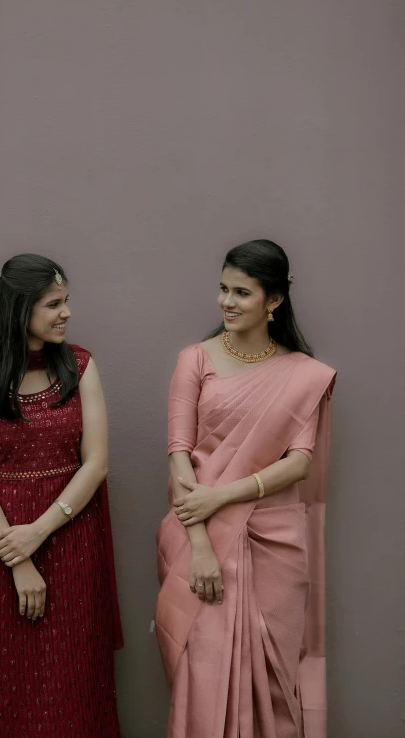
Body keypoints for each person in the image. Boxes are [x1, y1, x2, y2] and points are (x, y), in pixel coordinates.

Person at [0, 253, 123, 738]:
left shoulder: (81, 367)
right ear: (20, 309)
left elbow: (96, 463)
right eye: (53, 304)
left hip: (70, 541)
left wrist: (37, 533)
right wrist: (18, 558)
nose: (66, 313)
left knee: (74, 687)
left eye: (66, 302)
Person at [155, 239, 336, 738]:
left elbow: (299, 463)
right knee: (205, 674)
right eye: (223, 289)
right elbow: (178, 453)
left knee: (275, 682)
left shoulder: (301, 374)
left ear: (273, 300)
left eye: (242, 292)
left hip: (275, 540)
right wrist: (200, 547)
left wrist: (222, 496)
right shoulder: (195, 359)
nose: (227, 302)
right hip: (201, 538)